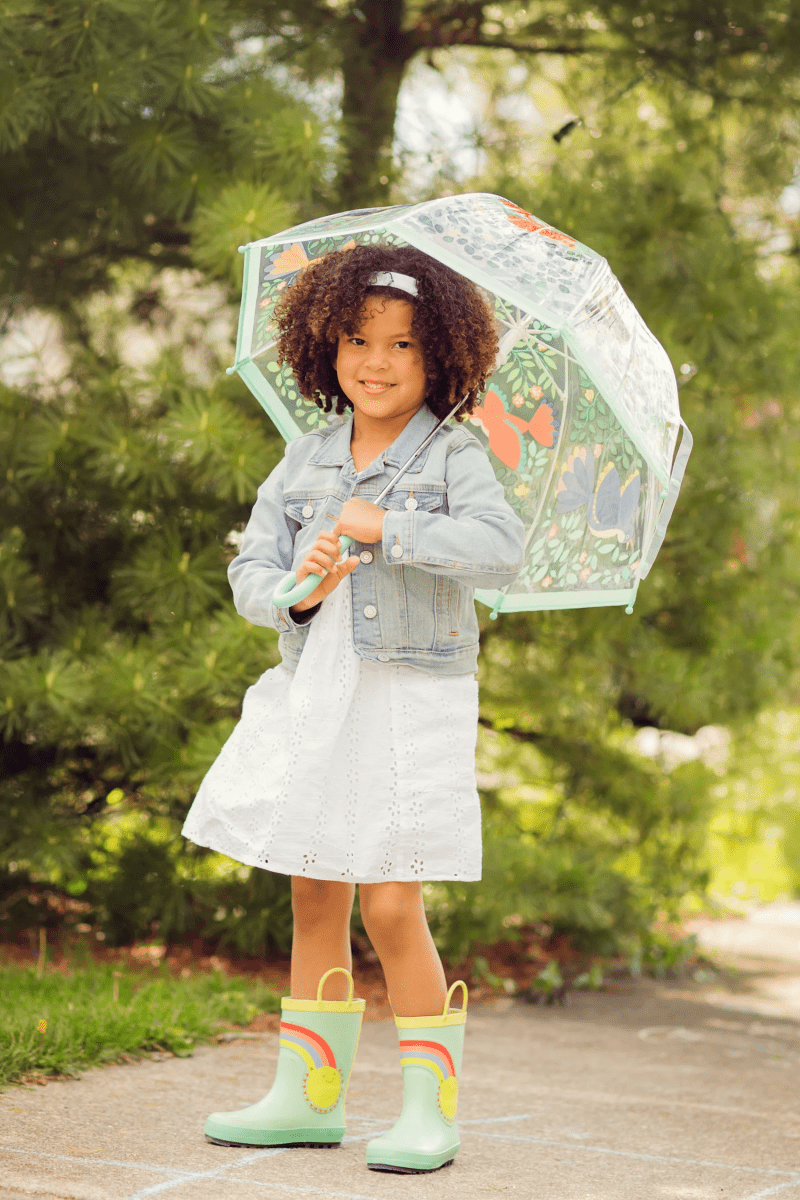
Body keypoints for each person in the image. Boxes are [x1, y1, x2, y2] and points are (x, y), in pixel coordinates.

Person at [182, 242, 525, 1173]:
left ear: (440, 356)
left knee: (392, 898)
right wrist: (298, 590)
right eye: (357, 340)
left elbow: (500, 549)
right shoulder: (305, 459)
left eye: (403, 344)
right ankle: (308, 1097)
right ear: (323, 346)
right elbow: (252, 570)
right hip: (319, 684)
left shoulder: (453, 452)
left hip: (412, 693)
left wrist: (391, 527)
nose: (377, 362)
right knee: (313, 882)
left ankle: (429, 1111)